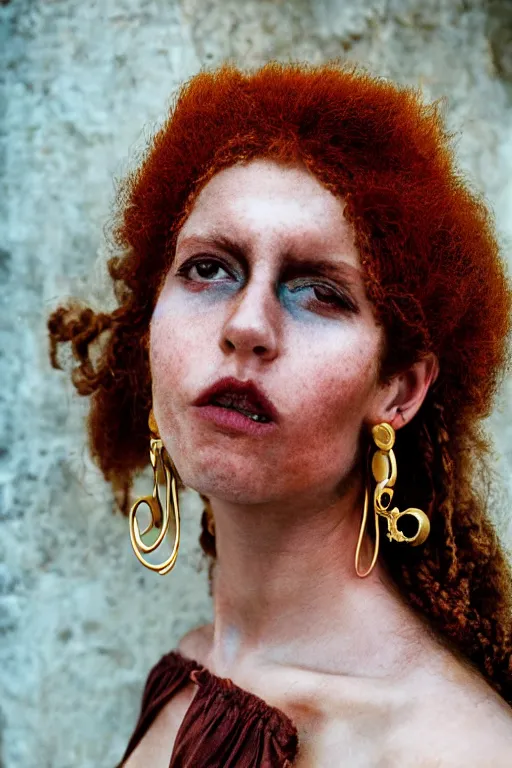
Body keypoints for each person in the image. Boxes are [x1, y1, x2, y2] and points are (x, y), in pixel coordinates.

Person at [48, 60, 512, 766]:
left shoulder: (450, 746)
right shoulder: (190, 670)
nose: (247, 325)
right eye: (208, 268)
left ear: (401, 390)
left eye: (320, 291)